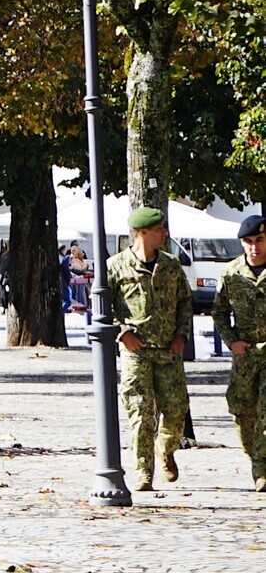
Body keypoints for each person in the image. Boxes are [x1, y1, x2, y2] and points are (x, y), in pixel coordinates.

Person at [109, 205, 193, 491]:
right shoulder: (116, 266)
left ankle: (165, 448)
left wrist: (181, 335)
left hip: (168, 350)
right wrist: (123, 334)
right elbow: (104, 309)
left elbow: (185, 303)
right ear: (141, 233)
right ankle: (144, 472)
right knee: (141, 412)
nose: (164, 234)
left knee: (176, 409)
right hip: (137, 352)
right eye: (159, 230)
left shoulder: (171, 265)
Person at [217, 213, 266, 492]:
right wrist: (231, 341)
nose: (254, 247)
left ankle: (261, 471)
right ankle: (254, 457)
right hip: (245, 355)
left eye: (259, 240)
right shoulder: (232, 273)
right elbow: (219, 312)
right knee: (241, 411)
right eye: (248, 242)